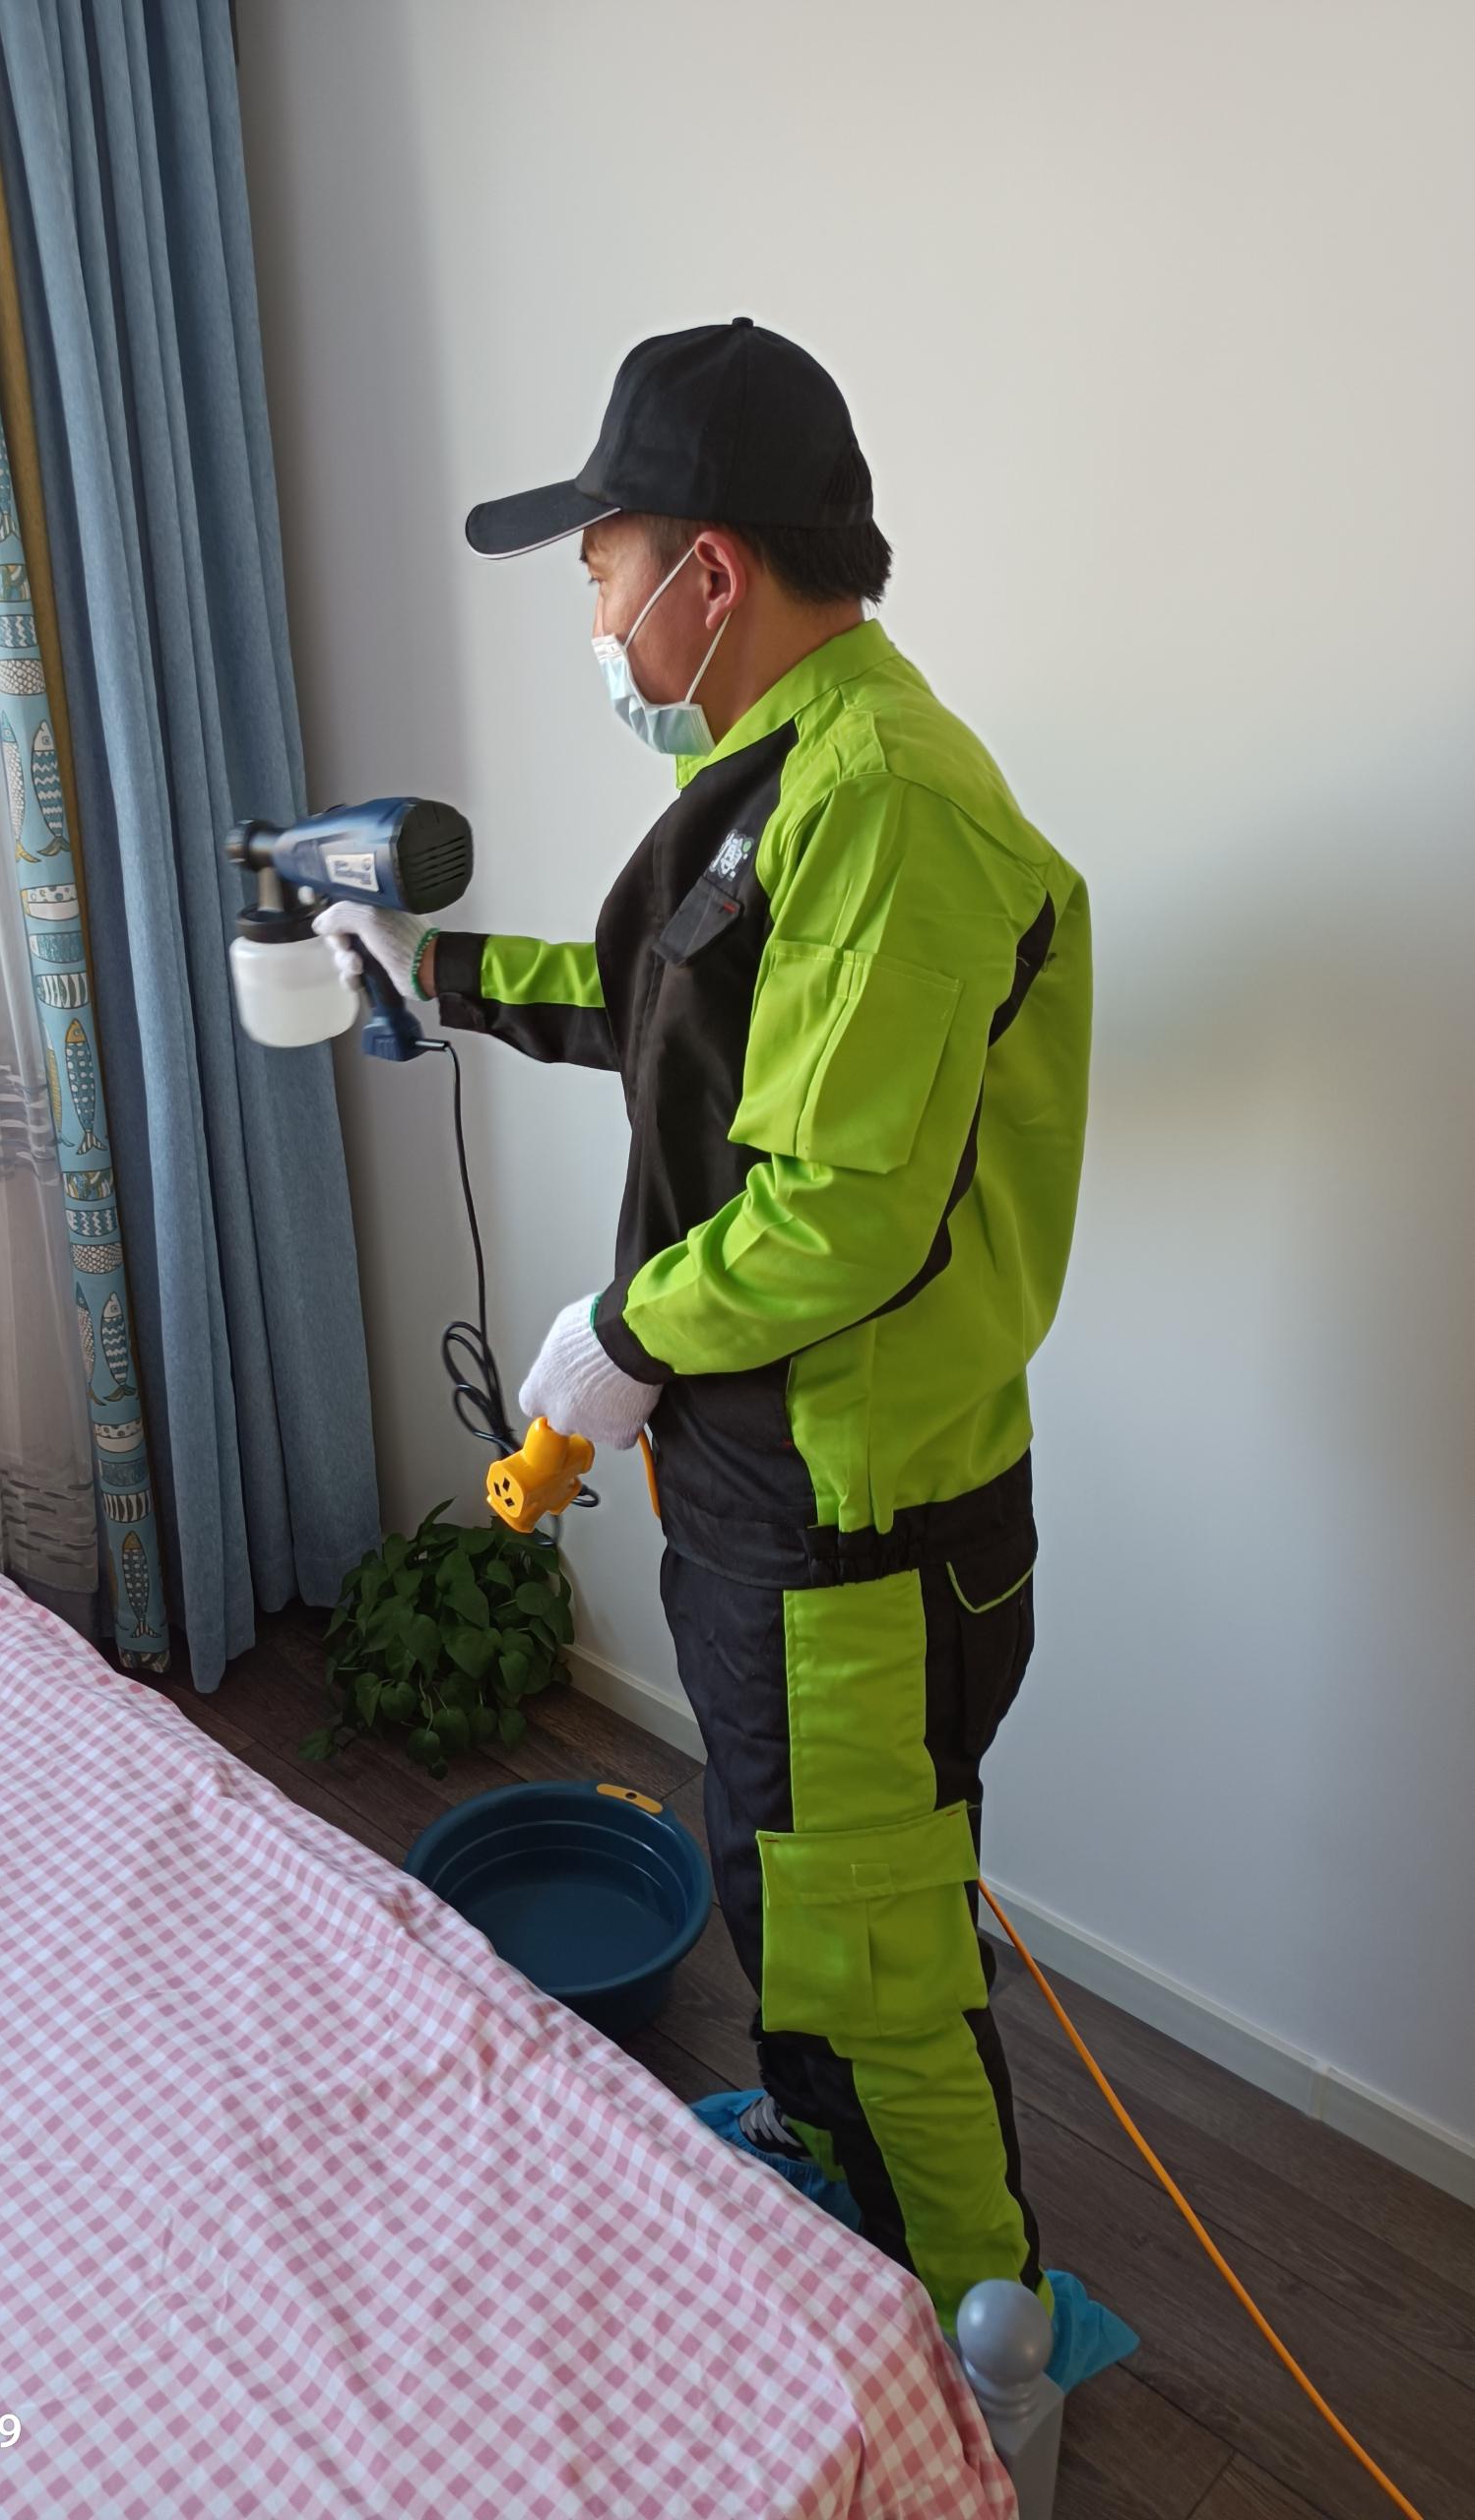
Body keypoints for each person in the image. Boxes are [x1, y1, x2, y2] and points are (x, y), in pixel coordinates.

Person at [316, 319, 1092, 2337]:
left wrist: (619, 1334)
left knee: (867, 1954)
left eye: (601, 569)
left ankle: (987, 2358)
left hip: (858, 1516)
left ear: (710, 572)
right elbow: (669, 1009)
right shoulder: (787, 781)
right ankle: (839, 2190)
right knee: (783, 1877)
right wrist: (430, 971)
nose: (597, 619)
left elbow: (840, 1207)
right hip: (765, 1486)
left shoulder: (891, 802)